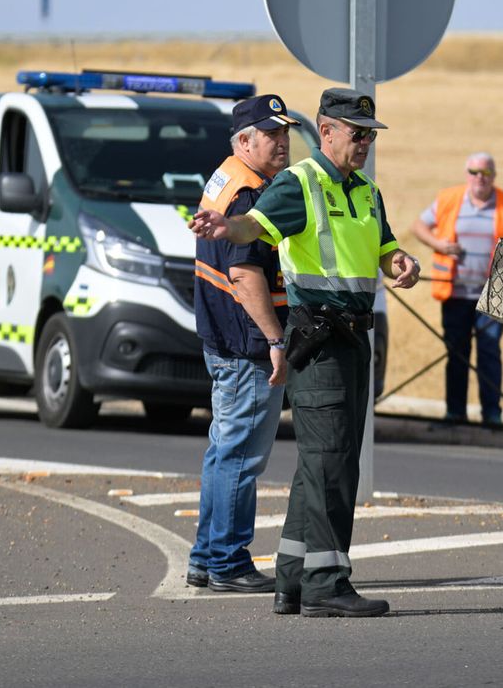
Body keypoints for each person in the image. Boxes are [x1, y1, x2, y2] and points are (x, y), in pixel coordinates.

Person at [189, 88, 421, 617]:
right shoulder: (299, 183)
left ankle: (292, 577)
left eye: (370, 134)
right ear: (327, 129)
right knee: (331, 462)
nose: (364, 143)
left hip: (353, 337)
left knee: (320, 460)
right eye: (356, 133)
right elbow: (255, 229)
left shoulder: (366, 191)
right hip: (317, 337)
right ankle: (327, 580)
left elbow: (385, 247)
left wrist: (400, 263)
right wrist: (230, 227)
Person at [186, 95, 299, 593]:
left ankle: (206, 557)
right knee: (240, 456)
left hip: (223, 335)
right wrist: (275, 339)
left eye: (284, 132)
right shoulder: (249, 192)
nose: (282, 142)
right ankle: (228, 562)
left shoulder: (226, 175)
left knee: (222, 451)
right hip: (248, 341)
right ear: (244, 141)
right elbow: (244, 270)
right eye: (271, 135)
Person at [413, 153, 503, 425]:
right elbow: (418, 226)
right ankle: (455, 412)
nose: (479, 178)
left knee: (489, 352)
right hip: (455, 293)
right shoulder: (450, 199)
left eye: (485, 173)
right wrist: (439, 245)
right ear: (466, 175)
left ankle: (492, 414)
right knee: (456, 353)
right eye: (474, 172)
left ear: (494, 176)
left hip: (494, 295)